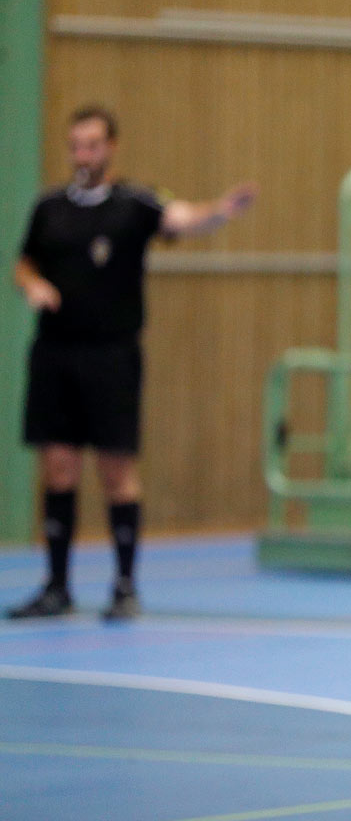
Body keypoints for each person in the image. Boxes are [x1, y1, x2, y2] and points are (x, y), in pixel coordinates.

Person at [8, 104, 256, 622]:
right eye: (76, 145)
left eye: (93, 145)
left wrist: (221, 210)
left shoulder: (133, 203)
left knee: (116, 469)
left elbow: (181, 218)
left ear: (111, 148)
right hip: (56, 353)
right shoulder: (50, 207)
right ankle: (56, 586)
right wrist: (33, 285)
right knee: (58, 467)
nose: (83, 155)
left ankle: (124, 586)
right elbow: (24, 260)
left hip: (112, 355)